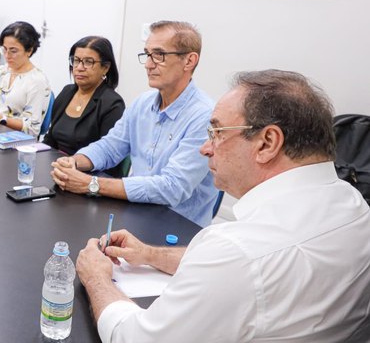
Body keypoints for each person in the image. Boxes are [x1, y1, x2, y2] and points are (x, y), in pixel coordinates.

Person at [76, 70, 370, 343]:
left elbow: (135, 338)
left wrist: (96, 278)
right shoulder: (355, 205)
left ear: (267, 143)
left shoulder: (235, 252)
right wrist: (150, 255)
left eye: (217, 133)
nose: (205, 148)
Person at [50, 21, 217, 227]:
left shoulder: (204, 116)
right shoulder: (142, 104)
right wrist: (75, 161)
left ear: (189, 61)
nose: (148, 64)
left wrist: (91, 184)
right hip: (135, 212)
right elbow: (110, 147)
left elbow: (172, 187)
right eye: (147, 54)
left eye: (159, 55)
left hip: (176, 227)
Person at [43, 36, 125, 173]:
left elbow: (109, 158)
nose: (79, 68)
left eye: (88, 62)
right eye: (76, 61)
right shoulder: (67, 92)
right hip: (57, 168)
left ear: (105, 67)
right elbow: (50, 139)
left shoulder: (112, 104)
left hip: (88, 176)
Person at [0, 21, 51, 136]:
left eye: (13, 51)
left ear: (29, 51)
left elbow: (32, 129)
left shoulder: (37, 81)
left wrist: (0, 118)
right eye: (4, 49)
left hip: (14, 140)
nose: (7, 55)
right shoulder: (1, 71)